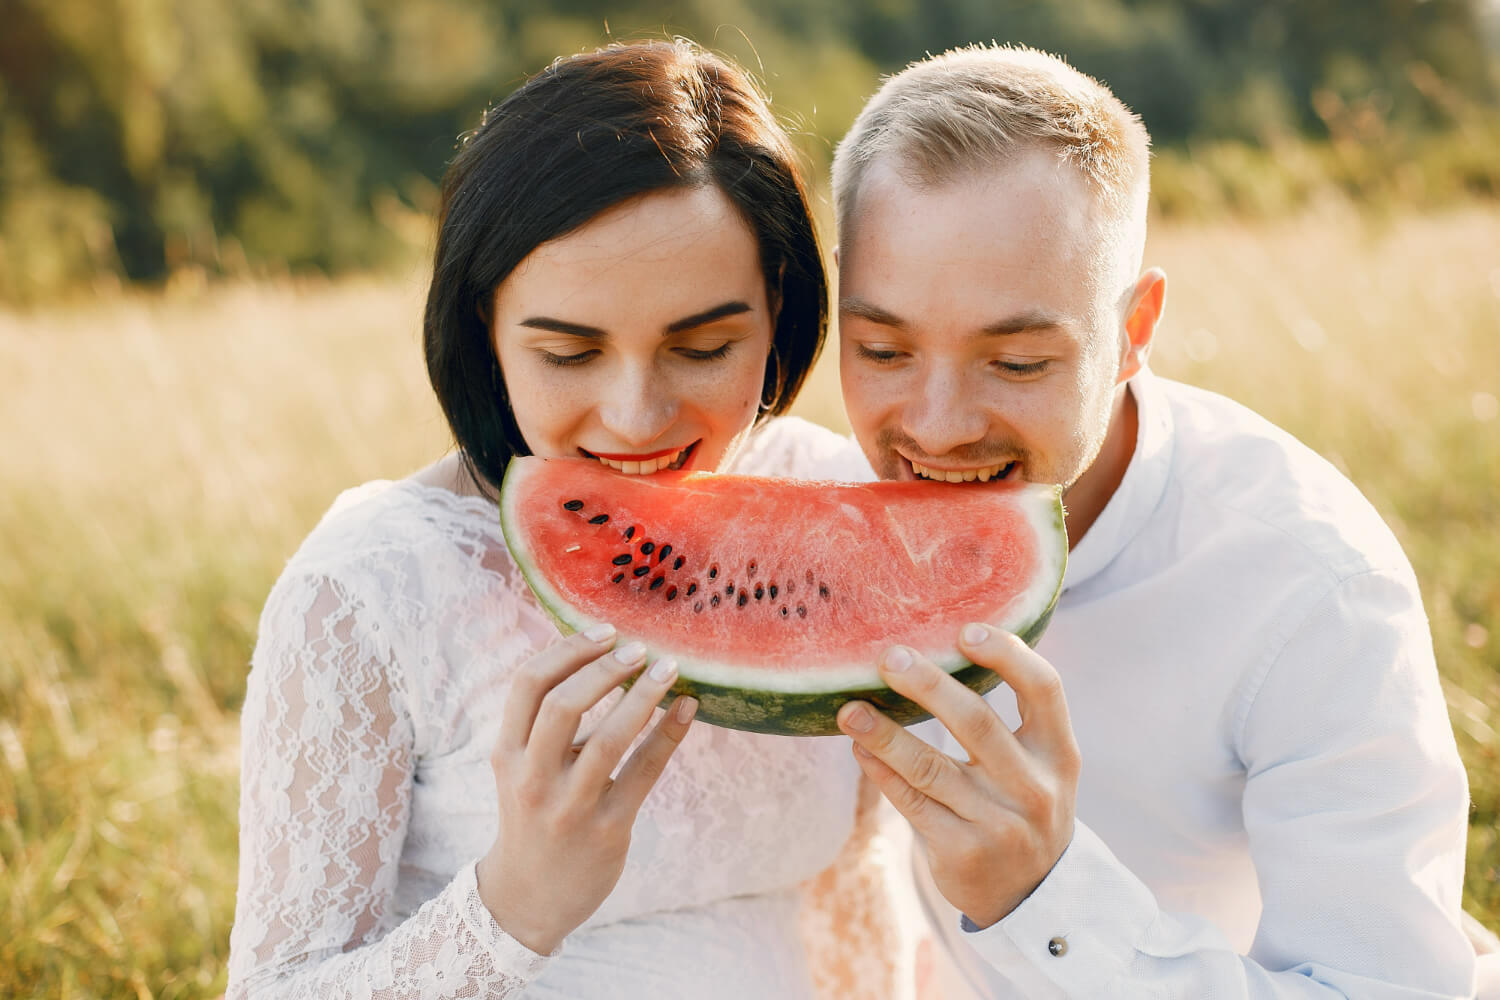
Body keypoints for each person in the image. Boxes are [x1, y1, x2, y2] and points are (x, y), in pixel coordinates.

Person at [226, 40, 890, 999]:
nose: (637, 417)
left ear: (777, 305)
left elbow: (852, 892)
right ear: (486, 329)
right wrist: (517, 905)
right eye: (570, 355)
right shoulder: (367, 591)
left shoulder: (834, 503)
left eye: (704, 346)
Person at [828, 45, 1480, 997]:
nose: (936, 428)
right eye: (883, 350)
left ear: (1133, 331)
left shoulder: (1318, 591)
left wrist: (1044, 902)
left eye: (1016, 364)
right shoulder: (821, 492)